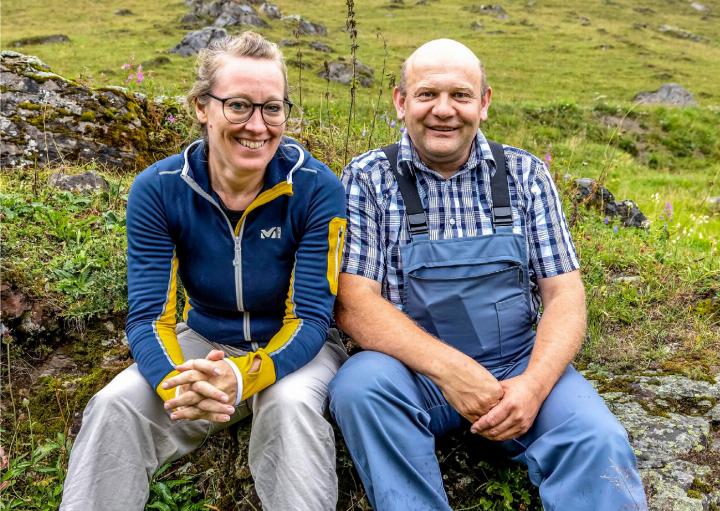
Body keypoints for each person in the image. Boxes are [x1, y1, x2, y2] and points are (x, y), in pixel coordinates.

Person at [329, 38, 648, 511]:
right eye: (426, 95)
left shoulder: (525, 175)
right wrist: (450, 370)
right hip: (415, 374)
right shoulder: (368, 178)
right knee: (359, 386)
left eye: (459, 95)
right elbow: (355, 302)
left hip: (518, 368)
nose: (443, 111)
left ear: (484, 102)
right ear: (400, 102)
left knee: (598, 441)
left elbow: (564, 294)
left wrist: (534, 387)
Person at [61, 31, 348, 511]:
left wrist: (242, 379)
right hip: (203, 343)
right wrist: (181, 383)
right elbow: (150, 316)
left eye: (272, 108)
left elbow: (314, 318)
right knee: (115, 406)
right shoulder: (159, 189)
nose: (257, 125)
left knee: (289, 407)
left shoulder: (317, 188)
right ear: (201, 106)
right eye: (238, 105)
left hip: (298, 348)